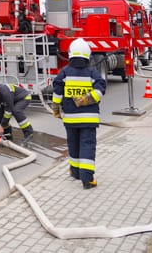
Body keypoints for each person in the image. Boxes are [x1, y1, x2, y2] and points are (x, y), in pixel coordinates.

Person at [51, 38, 106, 189]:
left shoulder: (65, 73)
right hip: (88, 119)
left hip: (70, 119)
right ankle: (87, 179)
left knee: (73, 144)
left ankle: (75, 172)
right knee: (87, 145)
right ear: (87, 54)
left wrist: (56, 108)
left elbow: (57, 91)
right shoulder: (92, 72)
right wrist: (87, 99)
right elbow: (101, 89)